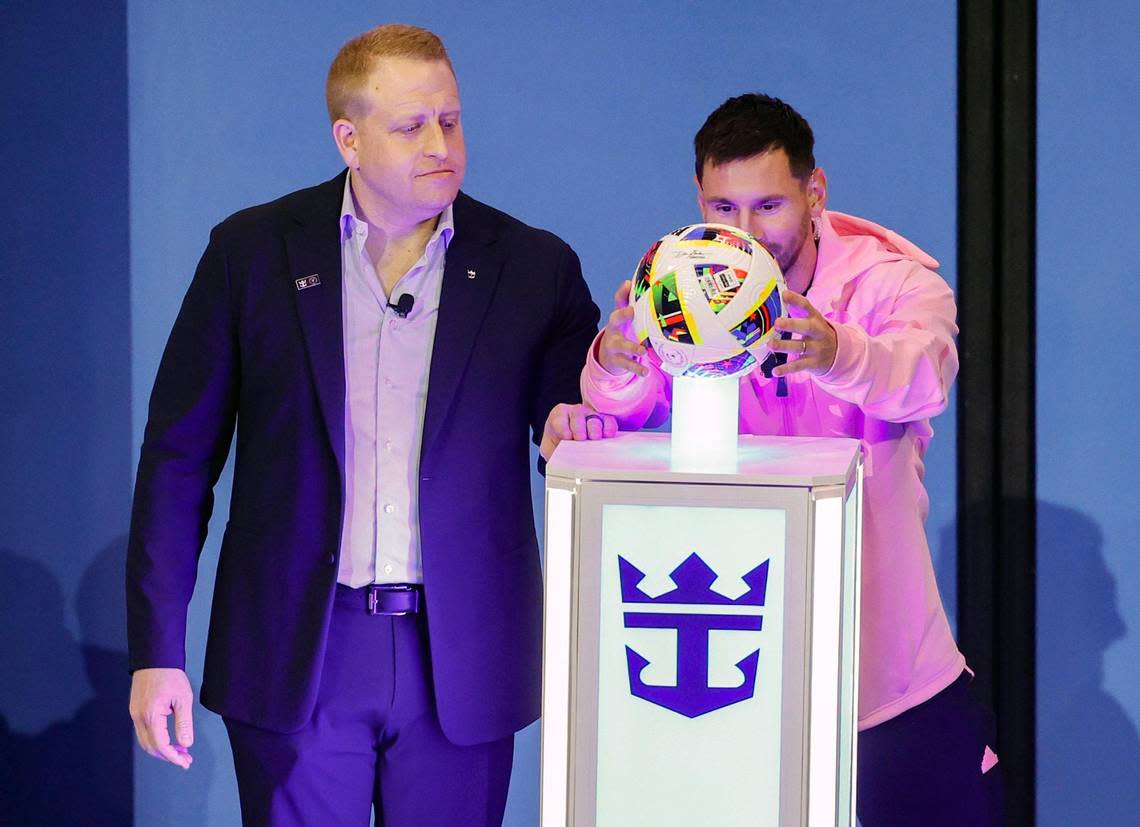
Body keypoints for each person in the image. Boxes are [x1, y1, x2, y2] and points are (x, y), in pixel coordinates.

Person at [126, 24, 599, 826]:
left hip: (458, 656)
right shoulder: (252, 253)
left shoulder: (532, 266)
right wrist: (157, 651)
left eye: (450, 120)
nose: (440, 142)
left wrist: (596, 395)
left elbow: (570, 420)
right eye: (411, 125)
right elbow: (178, 460)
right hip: (299, 651)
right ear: (348, 138)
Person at [547, 93, 1005, 825]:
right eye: (722, 209)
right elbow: (623, 411)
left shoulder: (893, 283)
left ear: (814, 191)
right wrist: (612, 360)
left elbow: (924, 378)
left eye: (767, 206)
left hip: (887, 670)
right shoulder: (679, 286)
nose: (745, 234)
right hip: (738, 669)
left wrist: (838, 351)